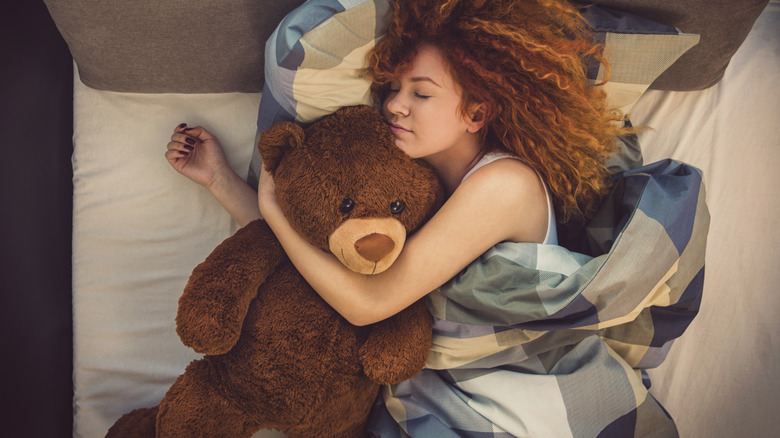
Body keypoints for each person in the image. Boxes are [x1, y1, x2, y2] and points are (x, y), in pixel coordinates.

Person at [167, 1, 678, 435]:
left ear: (476, 113)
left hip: (517, 390)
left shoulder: (505, 185)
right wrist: (221, 181)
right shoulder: (417, 186)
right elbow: (330, 260)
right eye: (393, 87)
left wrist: (270, 207)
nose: (394, 105)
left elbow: (367, 303)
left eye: (422, 93)